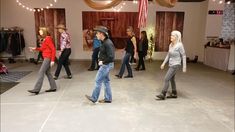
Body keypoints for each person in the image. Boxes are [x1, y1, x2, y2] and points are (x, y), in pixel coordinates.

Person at [85, 26, 115, 103]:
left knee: (98, 80)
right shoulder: (104, 42)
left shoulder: (108, 43)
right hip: (106, 65)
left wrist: (103, 62)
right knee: (106, 81)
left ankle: (94, 98)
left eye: (97, 33)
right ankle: (108, 98)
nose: (96, 35)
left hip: (106, 65)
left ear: (102, 34)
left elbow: (111, 57)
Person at [156, 30, 186, 100]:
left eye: (172, 35)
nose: (171, 36)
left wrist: (184, 67)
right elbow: (168, 55)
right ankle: (174, 93)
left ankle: (163, 94)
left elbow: (183, 55)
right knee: (172, 79)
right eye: (171, 35)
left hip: (176, 64)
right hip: (171, 63)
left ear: (176, 37)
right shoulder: (171, 44)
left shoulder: (180, 45)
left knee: (166, 78)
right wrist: (163, 63)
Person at [28, 27, 57, 95]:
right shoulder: (45, 39)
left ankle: (36, 89)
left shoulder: (48, 39)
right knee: (47, 72)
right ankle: (53, 87)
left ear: (44, 31)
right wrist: (34, 48)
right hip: (46, 57)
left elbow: (53, 49)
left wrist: (52, 60)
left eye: (40, 31)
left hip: (48, 58)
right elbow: (42, 49)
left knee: (41, 72)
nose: (39, 32)